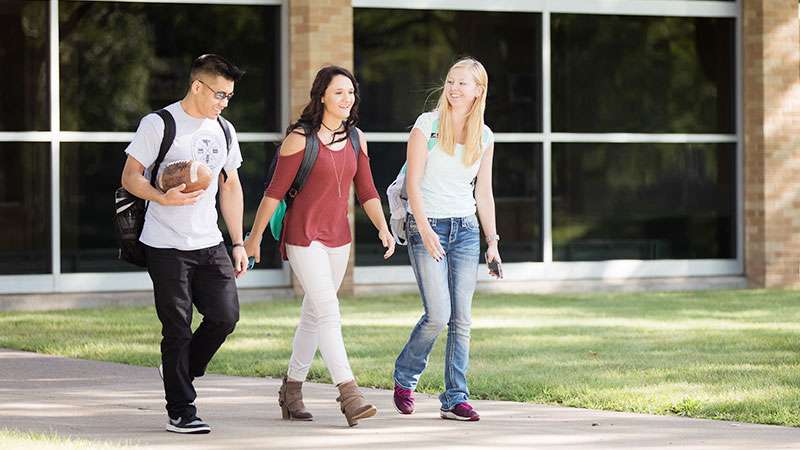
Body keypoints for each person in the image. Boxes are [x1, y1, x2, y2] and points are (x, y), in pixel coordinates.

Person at [244, 65, 395, 427]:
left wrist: (383, 228)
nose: (348, 98)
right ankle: (350, 394)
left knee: (314, 315)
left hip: (338, 239)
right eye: (340, 91)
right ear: (322, 96)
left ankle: (291, 390)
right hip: (302, 235)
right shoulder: (300, 138)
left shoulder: (357, 138)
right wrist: (252, 239)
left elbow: (368, 191)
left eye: (351, 92)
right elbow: (274, 193)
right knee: (328, 311)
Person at [121, 54, 248, 434]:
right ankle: (181, 410)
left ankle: (181, 367)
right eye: (220, 94)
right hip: (165, 244)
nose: (224, 102)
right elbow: (130, 176)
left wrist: (238, 242)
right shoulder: (159, 124)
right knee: (176, 328)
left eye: (229, 96)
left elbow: (231, 186)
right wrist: (161, 197)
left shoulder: (224, 129)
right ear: (197, 86)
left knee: (225, 317)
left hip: (209, 242)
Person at [392, 58, 501, 422]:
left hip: (466, 230)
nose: (454, 88)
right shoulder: (427, 126)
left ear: (478, 91)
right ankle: (405, 377)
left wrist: (493, 242)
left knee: (462, 319)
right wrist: (421, 227)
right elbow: (413, 183)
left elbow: (483, 193)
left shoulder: (485, 136)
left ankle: (455, 397)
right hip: (428, 226)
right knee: (438, 315)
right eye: (451, 81)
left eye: (463, 83)